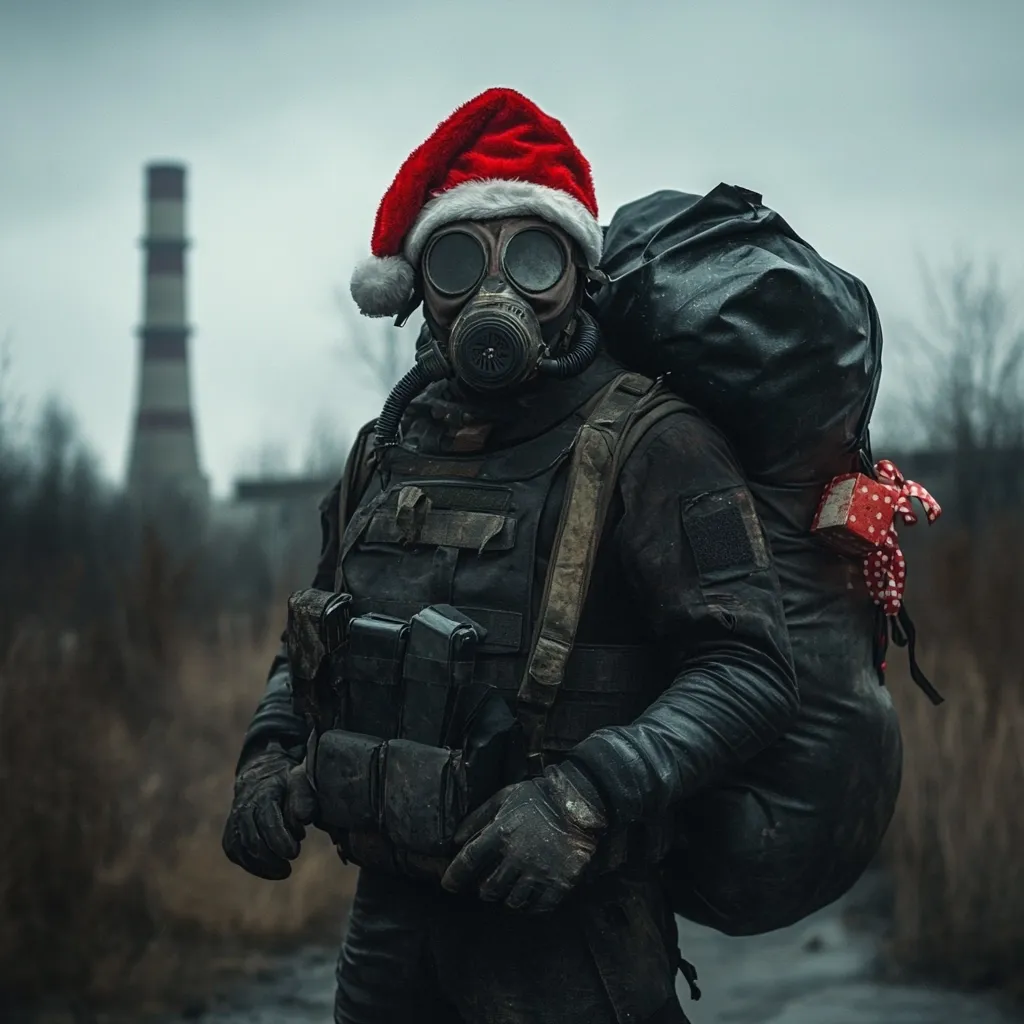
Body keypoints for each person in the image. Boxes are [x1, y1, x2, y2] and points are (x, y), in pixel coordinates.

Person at [222, 87, 800, 1024]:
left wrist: (583, 797)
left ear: (576, 272)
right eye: (459, 260)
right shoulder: (386, 446)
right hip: (393, 932)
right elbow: (313, 636)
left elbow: (749, 668)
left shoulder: (655, 442)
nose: (497, 293)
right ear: (419, 290)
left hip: (572, 940)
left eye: (533, 258)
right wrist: (267, 752)